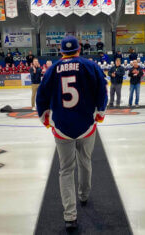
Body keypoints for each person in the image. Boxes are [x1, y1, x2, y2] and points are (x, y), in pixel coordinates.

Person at [36, 36, 107, 231]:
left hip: (62, 128)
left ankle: (70, 215)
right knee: (85, 162)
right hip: (86, 126)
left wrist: (45, 120)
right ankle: (83, 195)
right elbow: (102, 89)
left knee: (65, 169)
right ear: (78, 50)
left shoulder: (52, 69)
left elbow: (41, 96)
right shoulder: (90, 66)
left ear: (61, 51)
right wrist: (100, 113)